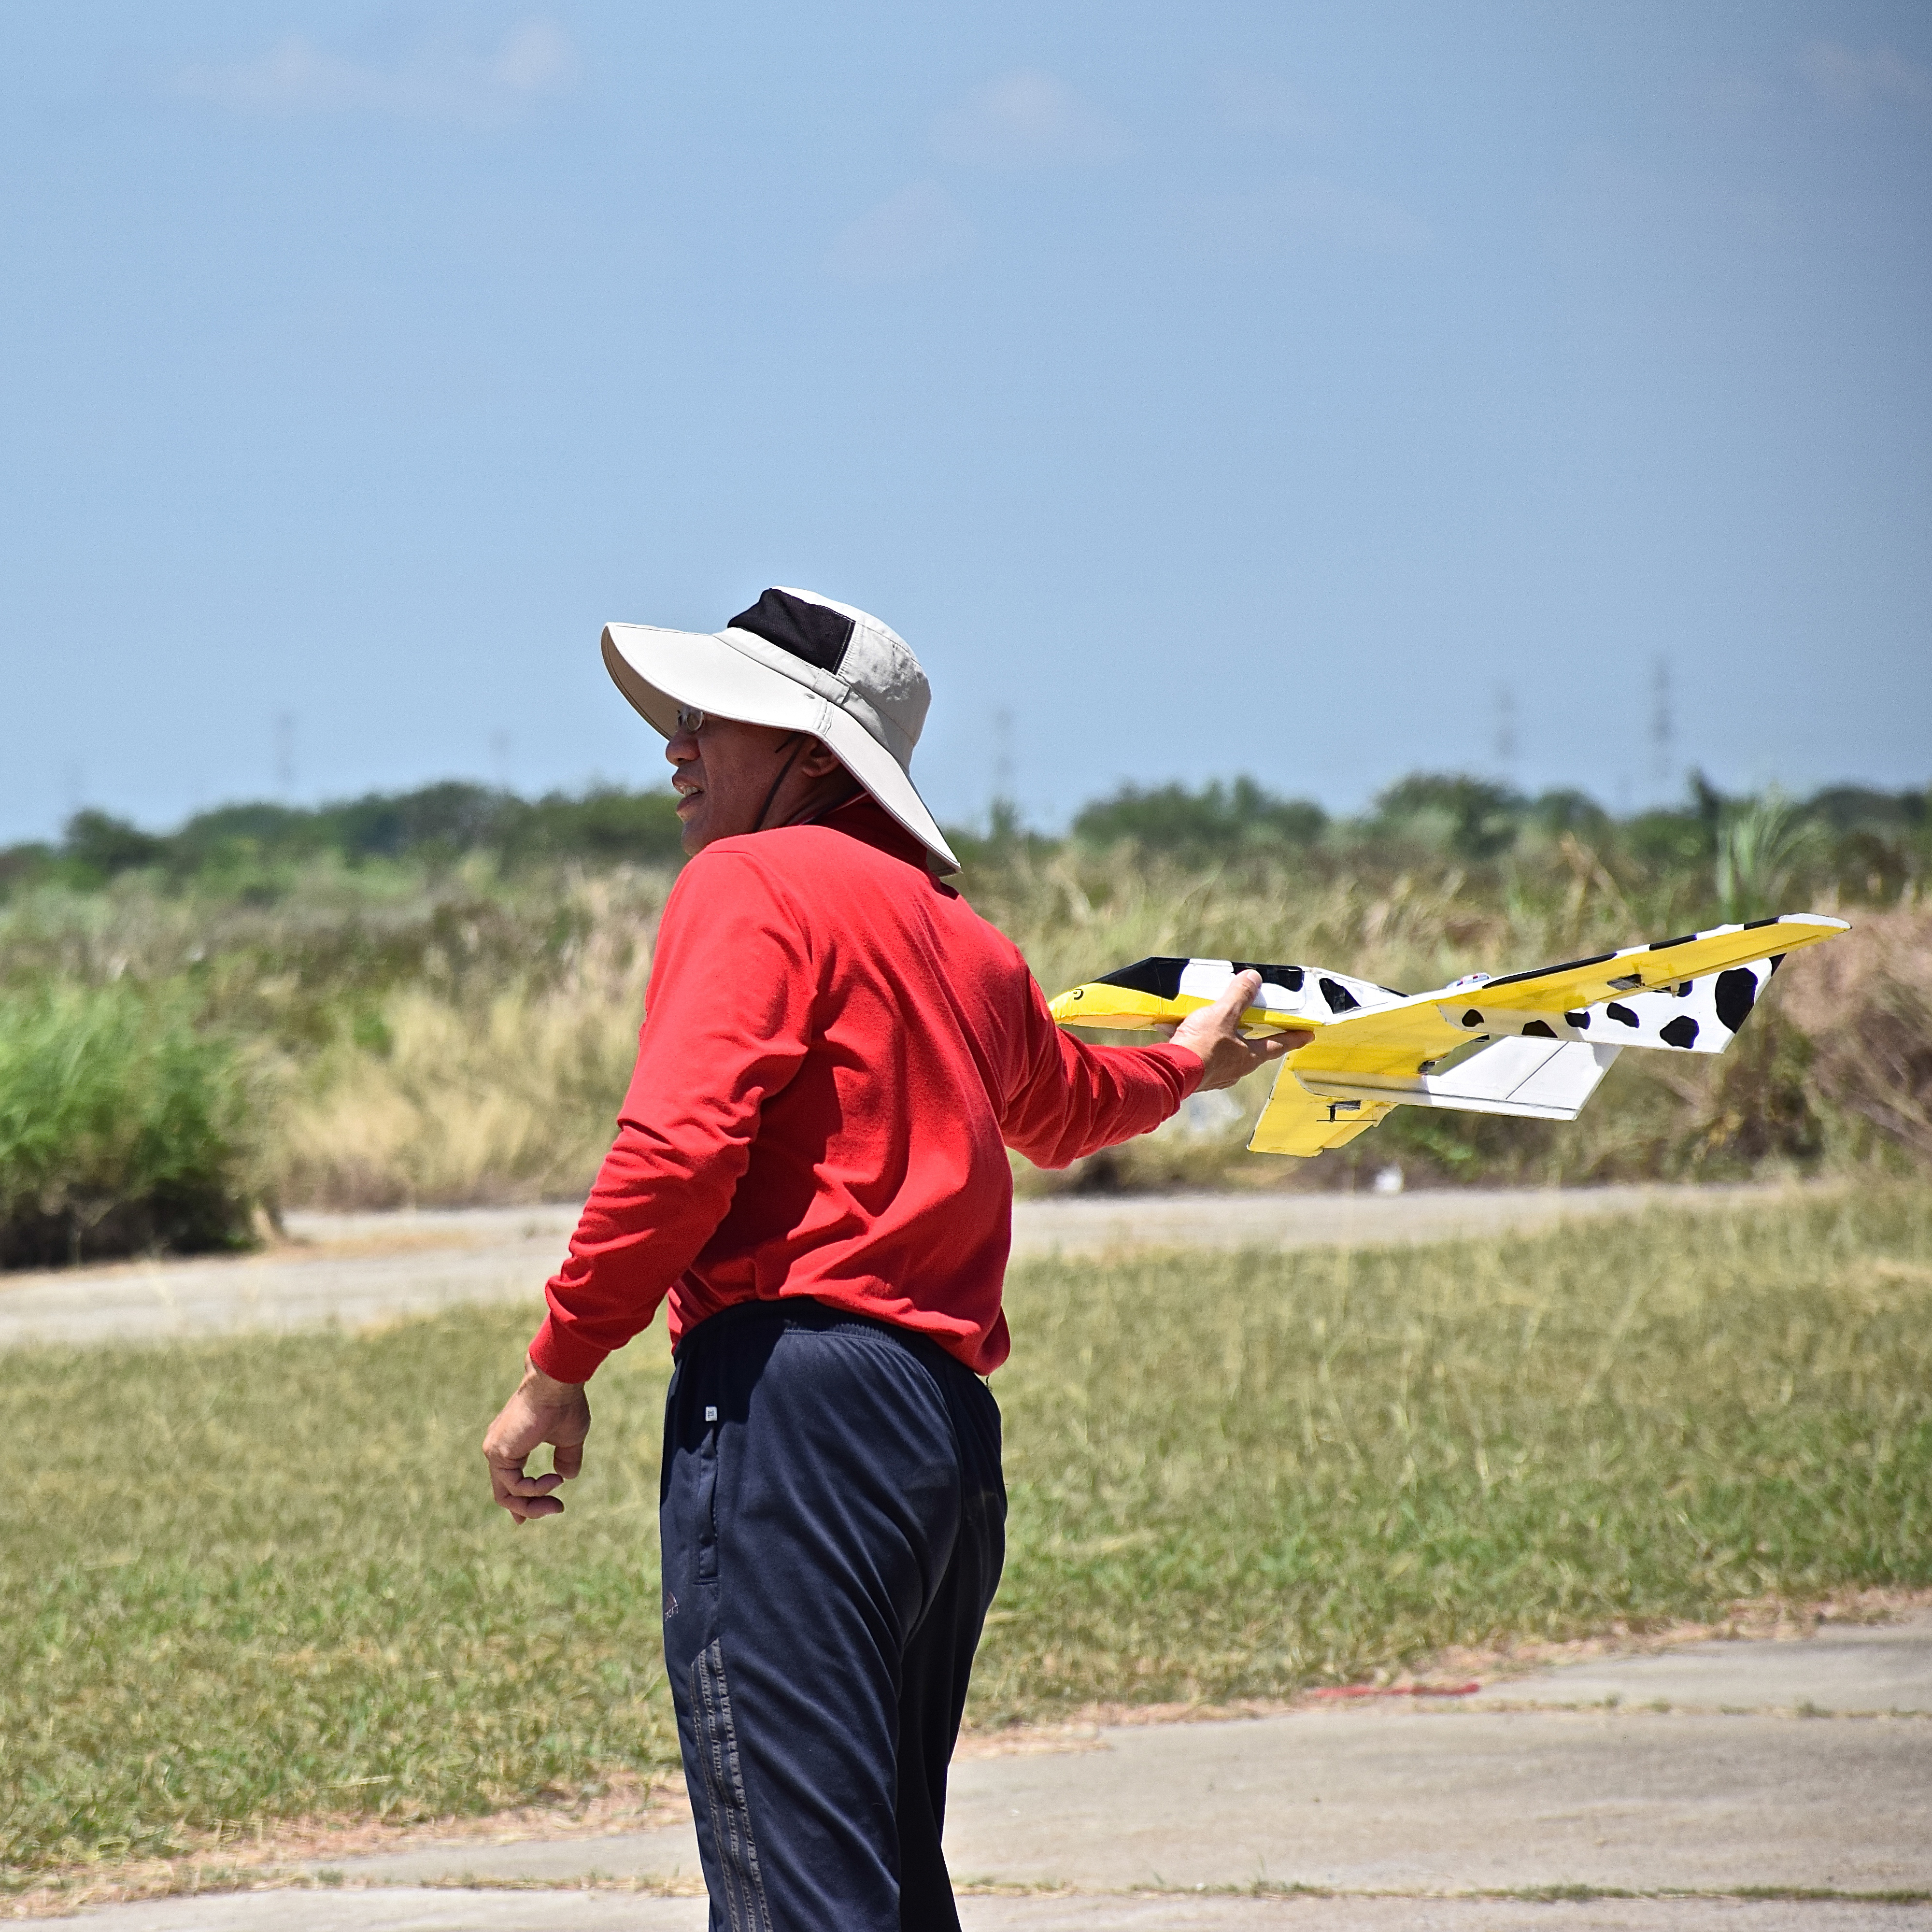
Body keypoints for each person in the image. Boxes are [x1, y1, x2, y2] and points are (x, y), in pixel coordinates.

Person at [481, 586, 1306, 1932]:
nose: (674, 744)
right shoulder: (967, 943)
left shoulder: (744, 885)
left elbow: (680, 1150)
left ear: (812, 754)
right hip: (941, 1445)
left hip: (790, 1416)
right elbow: (1067, 1109)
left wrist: (561, 1363)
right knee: (881, 1887)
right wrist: (1186, 1065)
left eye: (710, 719)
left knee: (802, 1901)